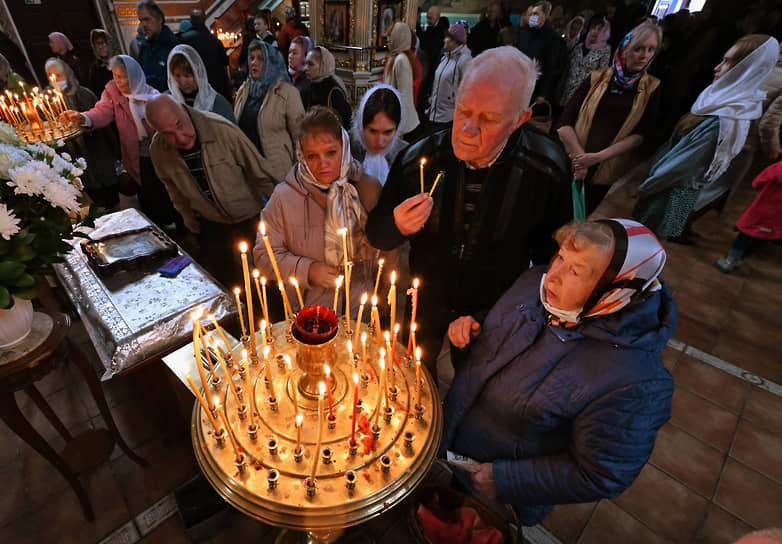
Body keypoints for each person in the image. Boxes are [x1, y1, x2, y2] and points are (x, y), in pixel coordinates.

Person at [442, 218, 674, 526]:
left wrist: (505, 480)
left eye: (575, 271)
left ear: (615, 291)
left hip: (498, 493)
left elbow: (602, 474)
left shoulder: (635, 382)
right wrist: (471, 331)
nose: (552, 277)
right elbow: (500, 332)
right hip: (455, 449)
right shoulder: (533, 284)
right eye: (560, 258)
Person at [365, 47, 572, 371]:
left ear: (520, 119)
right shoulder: (421, 158)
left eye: (489, 119)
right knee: (416, 377)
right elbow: (377, 232)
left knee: (474, 385)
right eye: (463, 110)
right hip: (425, 301)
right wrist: (397, 225)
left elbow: (550, 260)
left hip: (491, 310)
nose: (467, 130)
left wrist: (504, 313)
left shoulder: (545, 168)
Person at [634, 35, 779, 239]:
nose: (717, 68)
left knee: (643, 245)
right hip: (674, 190)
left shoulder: (726, 117)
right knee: (649, 243)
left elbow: (681, 167)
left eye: (728, 62)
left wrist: (647, 186)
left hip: (669, 193)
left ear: (745, 70)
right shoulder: (724, 101)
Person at [253, 106, 394, 315]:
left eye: (331, 152)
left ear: (343, 146)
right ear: (301, 156)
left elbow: (388, 246)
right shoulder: (284, 198)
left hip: (361, 310)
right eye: (312, 156)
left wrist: (384, 292)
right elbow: (263, 256)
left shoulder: (368, 189)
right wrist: (307, 270)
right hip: (310, 313)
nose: (323, 164)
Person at [145, 95, 273, 287]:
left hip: (249, 216)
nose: (179, 138)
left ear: (183, 109)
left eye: (179, 125)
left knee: (266, 275)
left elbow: (261, 173)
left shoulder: (222, 130)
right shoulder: (158, 150)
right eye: (168, 134)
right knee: (224, 279)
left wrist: (279, 214)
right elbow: (171, 187)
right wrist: (186, 216)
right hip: (211, 222)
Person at [62, 55, 178, 228]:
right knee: (145, 189)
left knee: (164, 186)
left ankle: (173, 221)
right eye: (115, 75)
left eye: (123, 76)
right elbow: (102, 111)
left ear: (134, 75)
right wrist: (83, 117)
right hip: (134, 151)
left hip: (158, 149)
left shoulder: (152, 95)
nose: (118, 81)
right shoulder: (112, 91)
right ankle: (154, 226)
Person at [557, 22, 661, 215]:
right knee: (554, 212)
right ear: (625, 48)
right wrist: (580, 158)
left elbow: (641, 134)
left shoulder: (651, 88)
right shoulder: (596, 78)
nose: (644, 55)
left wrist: (596, 158)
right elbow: (564, 122)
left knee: (578, 219)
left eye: (650, 49)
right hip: (572, 160)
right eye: (638, 48)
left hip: (605, 167)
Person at [46, 58, 120, 209]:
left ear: (67, 73)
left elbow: (105, 126)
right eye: (50, 76)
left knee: (111, 196)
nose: (55, 80)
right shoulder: (49, 102)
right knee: (93, 201)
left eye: (58, 75)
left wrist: (116, 154)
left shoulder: (85, 94)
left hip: (99, 154)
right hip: (75, 159)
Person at [234, 40, 304, 184]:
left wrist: (300, 176)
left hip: (277, 174)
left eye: (260, 59)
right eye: (251, 58)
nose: (254, 63)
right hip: (248, 174)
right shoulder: (244, 90)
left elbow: (300, 137)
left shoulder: (288, 92)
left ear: (270, 62)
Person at [715, 159, 782, 273]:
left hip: (763, 209)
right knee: (765, 237)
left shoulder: (779, 166)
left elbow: (757, 183)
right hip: (779, 218)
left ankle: (730, 261)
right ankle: (741, 258)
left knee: (746, 233)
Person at [351, 84, 407, 185]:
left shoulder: (405, 155)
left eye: (388, 132)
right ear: (361, 125)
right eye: (373, 131)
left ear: (397, 128)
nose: (380, 141)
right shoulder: (345, 149)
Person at [167, 44, 234, 122]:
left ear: (197, 73)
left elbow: (231, 132)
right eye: (177, 76)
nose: (182, 82)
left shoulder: (216, 103)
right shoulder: (168, 102)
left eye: (187, 76)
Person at [516, 1, 566, 105]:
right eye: (530, 14)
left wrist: (542, 93)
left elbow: (550, 66)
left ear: (545, 15)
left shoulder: (552, 37)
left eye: (536, 14)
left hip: (535, 86)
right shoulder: (524, 33)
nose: (532, 17)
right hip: (518, 83)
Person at [558, 14, 611, 108]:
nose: (595, 32)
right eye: (593, 28)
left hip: (582, 95)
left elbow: (601, 75)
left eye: (600, 30)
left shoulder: (605, 50)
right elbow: (568, 68)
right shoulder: (579, 46)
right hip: (567, 92)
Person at [179, 9, 232, 101]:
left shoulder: (182, 40)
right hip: (216, 89)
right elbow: (225, 62)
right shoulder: (215, 40)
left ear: (190, 21)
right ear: (205, 19)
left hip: (193, 93)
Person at [427, 23, 472, 130]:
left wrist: (454, 100)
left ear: (455, 41)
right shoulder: (445, 58)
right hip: (435, 115)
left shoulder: (465, 60)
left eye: (447, 37)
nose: (444, 40)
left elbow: (469, 88)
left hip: (449, 118)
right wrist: (432, 102)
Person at [384, 22, 421, 140]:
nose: (388, 39)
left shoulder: (401, 60)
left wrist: (399, 128)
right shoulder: (397, 57)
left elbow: (403, 95)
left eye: (391, 36)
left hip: (403, 125)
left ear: (398, 38)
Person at [303, 46, 352, 129]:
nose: (305, 68)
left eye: (310, 64)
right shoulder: (307, 87)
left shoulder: (334, 92)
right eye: (305, 63)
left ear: (323, 65)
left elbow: (344, 124)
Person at [136, 0, 179, 91]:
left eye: (147, 19)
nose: (143, 24)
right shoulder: (143, 48)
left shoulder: (174, 46)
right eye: (141, 20)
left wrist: (144, 82)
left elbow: (175, 82)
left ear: (159, 19)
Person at [416, 6, 450, 118]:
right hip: (431, 61)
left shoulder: (441, 28)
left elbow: (429, 46)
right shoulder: (433, 28)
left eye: (430, 18)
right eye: (427, 18)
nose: (428, 21)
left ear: (437, 17)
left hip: (436, 63)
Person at [87, 29, 116, 98]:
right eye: (97, 44)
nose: (100, 47)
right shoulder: (95, 68)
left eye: (102, 43)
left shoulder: (120, 62)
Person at [288, 35, 314, 106]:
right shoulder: (286, 76)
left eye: (295, 53)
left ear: (306, 56)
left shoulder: (309, 81)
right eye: (289, 52)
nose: (290, 56)